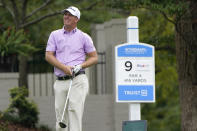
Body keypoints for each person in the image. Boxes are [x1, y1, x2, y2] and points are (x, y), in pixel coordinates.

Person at [45, 6, 98, 131]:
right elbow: (48, 55)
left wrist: (80, 65)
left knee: (74, 109)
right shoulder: (55, 35)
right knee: (60, 114)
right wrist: (63, 68)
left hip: (78, 79)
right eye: (65, 14)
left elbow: (94, 57)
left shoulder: (84, 37)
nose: (66, 17)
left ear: (77, 19)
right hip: (60, 80)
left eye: (70, 15)